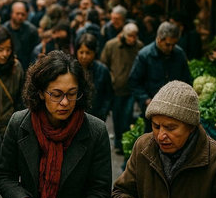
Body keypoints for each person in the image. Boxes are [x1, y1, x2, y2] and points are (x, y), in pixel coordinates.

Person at [0, 51, 111, 198]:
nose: (65, 102)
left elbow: (99, 190)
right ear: (40, 92)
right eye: (56, 94)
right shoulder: (19, 124)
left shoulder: (95, 131)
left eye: (72, 94)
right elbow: (4, 175)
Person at [128, 21, 192, 118]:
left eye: (173, 45)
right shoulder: (145, 55)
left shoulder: (179, 54)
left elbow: (187, 80)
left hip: (175, 109)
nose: (171, 48)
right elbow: (133, 81)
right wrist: (146, 100)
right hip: (152, 109)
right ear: (159, 40)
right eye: (167, 44)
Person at [100, 23, 144, 153]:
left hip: (131, 89)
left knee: (127, 116)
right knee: (117, 117)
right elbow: (104, 64)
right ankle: (119, 143)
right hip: (116, 89)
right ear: (124, 35)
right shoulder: (111, 45)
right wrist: (111, 78)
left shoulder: (139, 46)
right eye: (130, 36)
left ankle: (124, 143)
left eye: (135, 36)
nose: (133, 39)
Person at [75, 33, 113, 122]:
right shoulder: (73, 69)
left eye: (88, 53)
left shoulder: (102, 70)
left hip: (97, 116)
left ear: (94, 53)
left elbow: (108, 95)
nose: (84, 56)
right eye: (81, 52)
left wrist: (103, 114)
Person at [4, 1, 39, 71]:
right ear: (11, 14)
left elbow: (35, 52)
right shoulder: (3, 30)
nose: (20, 17)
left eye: (22, 14)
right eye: (17, 14)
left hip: (26, 69)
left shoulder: (32, 31)